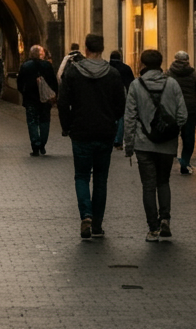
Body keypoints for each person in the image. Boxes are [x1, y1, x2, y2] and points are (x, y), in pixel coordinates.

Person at [57, 34, 125, 240]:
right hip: (104, 132)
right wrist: (112, 120)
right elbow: (120, 104)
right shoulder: (112, 74)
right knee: (101, 179)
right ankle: (97, 224)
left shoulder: (73, 72)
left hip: (80, 131)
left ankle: (85, 215)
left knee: (82, 176)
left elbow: (62, 102)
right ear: (102, 49)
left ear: (86, 49)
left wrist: (67, 126)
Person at [124, 49, 188, 242]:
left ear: (142, 64)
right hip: (167, 145)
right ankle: (165, 219)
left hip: (143, 144)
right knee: (164, 181)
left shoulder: (136, 85)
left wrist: (129, 145)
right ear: (161, 63)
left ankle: (153, 229)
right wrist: (170, 129)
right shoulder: (172, 84)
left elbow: (130, 117)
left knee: (148, 186)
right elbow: (183, 115)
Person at [167, 51, 196, 175]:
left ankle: (169, 159)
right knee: (188, 137)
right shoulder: (195, 75)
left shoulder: (168, 74)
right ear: (188, 60)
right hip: (189, 109)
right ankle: (185, 162)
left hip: (172, 109)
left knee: (171, 135)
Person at [17, 45, 58, 156]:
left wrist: (24, 93)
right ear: (41, 54)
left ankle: (35, 145)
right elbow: (54, 82)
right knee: (44, 121)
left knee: (32, 122)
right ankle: (42, 144)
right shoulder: (47, 66)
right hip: (45, 99)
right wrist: (54, 95)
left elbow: (20, 83)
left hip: (30, 99)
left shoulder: (25, 66)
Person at [108, 51, 135, 148]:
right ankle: (118, 140)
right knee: (121, 117)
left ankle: (109, 136)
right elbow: (131, 83)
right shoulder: (126, 68)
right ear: (120, 57)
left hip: (108, 94)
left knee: (108, 114)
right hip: (122, 94)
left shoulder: (106, 67)